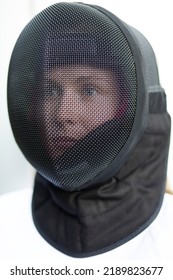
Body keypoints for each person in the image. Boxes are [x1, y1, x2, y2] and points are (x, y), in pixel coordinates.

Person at [1, 1, 173, 261]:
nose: (62, 114)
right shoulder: (5, 222)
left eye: (89, 90)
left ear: (130, 104)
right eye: (50, 91)